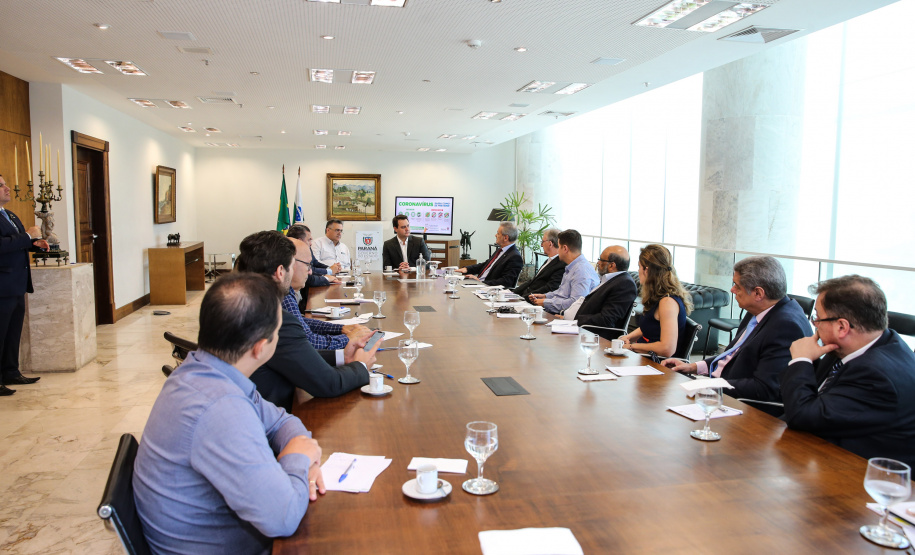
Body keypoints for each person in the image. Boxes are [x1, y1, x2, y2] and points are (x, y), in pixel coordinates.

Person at [133, 272, 326, 554]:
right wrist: (298, 458)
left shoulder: (205, 368)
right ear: (261, 347)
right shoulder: (220, 409)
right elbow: (282, 518)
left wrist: (299, 450)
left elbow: (281, 420)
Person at [781, 275, 915, 467]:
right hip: (820, 453)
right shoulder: (857, 346)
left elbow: (803, 416)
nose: (815, 325)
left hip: (860, 476)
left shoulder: (877, 375)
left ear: (842, 327)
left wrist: (801, 360)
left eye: (817, 318)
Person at [236, 231, 376, 411]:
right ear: (280, 272)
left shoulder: (241, 303)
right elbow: (328, 384)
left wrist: (343, 355)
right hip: (265, 419)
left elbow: (292, 355)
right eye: (294, 266)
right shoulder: (272, 318)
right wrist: (362, 366)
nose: (310, 272)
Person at [662, 255, 811, 407]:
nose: (732, 290)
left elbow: (764, 388)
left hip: (738, 406)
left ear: (758, 293)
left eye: (737, 286)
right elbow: (732, 355)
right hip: (720, 390)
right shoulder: (758, 311)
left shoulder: (785, 326)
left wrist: (709, 386)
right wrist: (694, 367)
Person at [239, 232, 357, 350]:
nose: (310, 272)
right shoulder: (278, 296)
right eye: (291, 265)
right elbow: (308, 342)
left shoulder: (253, 294)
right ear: (281, 270)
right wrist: (350, 338)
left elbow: (298, 323)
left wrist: (340, 329)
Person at [0, 175, 48, 396]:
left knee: (13, 331)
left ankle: (11, 371)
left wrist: (35, 244)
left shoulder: (9, 214)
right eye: (1, 185)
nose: (7, 188)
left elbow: (19, 243)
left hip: (17, 282)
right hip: (2, 284)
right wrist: (28, 235)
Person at [618, 245, 693, 358]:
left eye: (639, 267)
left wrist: (632, 347)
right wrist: (628, 337)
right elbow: (651, 326)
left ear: (646, 270)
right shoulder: (659, 297)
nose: (638, 271)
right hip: (645, 359)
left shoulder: (668, 302)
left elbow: (667, 348)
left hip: (658, 366)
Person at [573, 245, 638, 340]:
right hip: (581, 330)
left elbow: (607, 319)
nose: (598, 263)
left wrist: (576, 320)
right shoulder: (610, 280)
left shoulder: (625, 284)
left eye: (601, 260)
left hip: (593, 336)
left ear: (612, 265)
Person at [528, 229, 599, 315]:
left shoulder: (581, 271)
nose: (557, 251)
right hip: (556, 313)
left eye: (558, 247)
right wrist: (545, 296)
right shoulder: (572, 266)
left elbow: (575, 303)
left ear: (565, 248)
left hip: (565, 319)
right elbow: (562, 293)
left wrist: (545, 302)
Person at [456, 221, 523, 288]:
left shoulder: (515, 257)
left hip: (489, 290)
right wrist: (467, 269)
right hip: (480, 285)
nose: (495, 235)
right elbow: (486, 264)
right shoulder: (500, 250)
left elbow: (506, 281)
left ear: (505, 238)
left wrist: (480, 282)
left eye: (498, 233)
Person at [285, 225, 339, 304]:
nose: (311, 243)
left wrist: (329, 269)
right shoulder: (285, 296)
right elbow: (309, 278)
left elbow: (315, 264)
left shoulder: (306, 250)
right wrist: (328, 273)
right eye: (309, 240)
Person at [512, 228, 566, 298]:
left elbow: (549, 288)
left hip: (533, 301)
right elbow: (532, 281)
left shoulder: (561, 265)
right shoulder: (548, 260)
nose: (541, 245)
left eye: (543, 242)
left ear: (550, 244)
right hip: (525, 296)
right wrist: (512, 294)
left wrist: (524, 298)